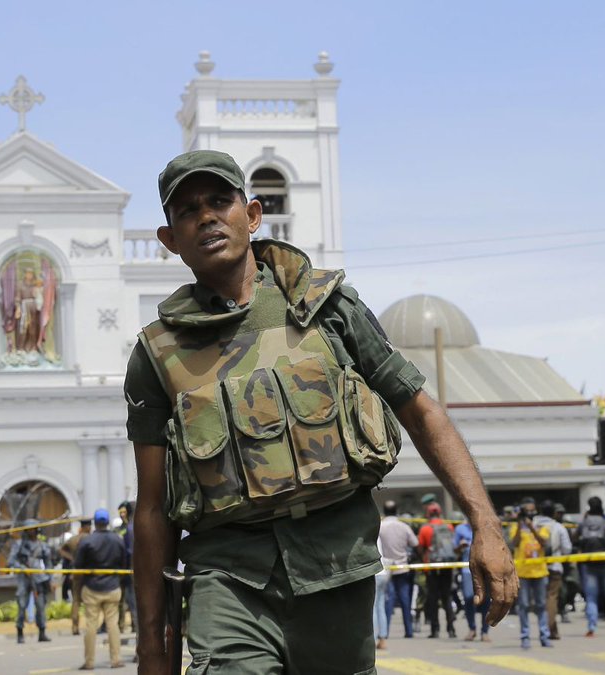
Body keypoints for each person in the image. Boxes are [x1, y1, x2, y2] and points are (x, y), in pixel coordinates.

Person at [126, 150, 518, 674]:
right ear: (170, 239)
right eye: (187, 211)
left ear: (254, 214)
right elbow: (151, 508)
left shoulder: (327, 309)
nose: (206, 217)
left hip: (335, 571)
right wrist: (151, 646)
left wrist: (485, 527)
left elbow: (420, 412)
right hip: (227, 579)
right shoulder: (157, 354)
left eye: (221, 201)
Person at [75, 508, 129, 670]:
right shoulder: (118, 539)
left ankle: (89, 662)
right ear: (107, 522)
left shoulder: (87, 541)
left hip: (92, 587)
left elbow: (78, 565)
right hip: (112, 586)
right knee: (112, 624)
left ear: (95, 523)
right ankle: (116, 659)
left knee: (91, 625)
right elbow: (124, 564)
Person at [573, 497, 605, 637]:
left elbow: (574, 539)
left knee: (591, 597)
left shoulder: (584, 523)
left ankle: (592, 627)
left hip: (589, 564)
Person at [509, 499, 551, 649]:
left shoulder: (541, 525)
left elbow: (544, 542)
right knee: (524, 606)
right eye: (527, 511)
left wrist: (531, 527)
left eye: (532, 510)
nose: (530, 513)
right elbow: (514, 543)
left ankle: (544, 636)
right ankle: (525, 636)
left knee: (541, 605)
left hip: (539, 571)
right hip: (523, 573)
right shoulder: (515, 526)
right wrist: (521, 525)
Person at [379, 500, 420, 639]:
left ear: (384, 512)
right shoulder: (404, 526)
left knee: (388, 600)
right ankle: (408, 631)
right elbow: (415, 543)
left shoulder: (380, 527)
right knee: (405, 599)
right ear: (396, 511)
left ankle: (385, 632)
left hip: (386, 567)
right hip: (402, 567)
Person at [416, 502, 458, 638]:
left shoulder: (425, 528)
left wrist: (424, 560)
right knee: (447, 597)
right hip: (447, 565)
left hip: (431, 566)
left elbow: (420, 547)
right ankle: (451, 628)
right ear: (440, 513)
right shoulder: (449, 526)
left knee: (433, 598)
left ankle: (435, 629)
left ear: (428, 514)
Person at [10, 519, 53, 644]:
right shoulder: (19, 544)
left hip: (39, 579)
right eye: (28, 529)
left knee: (40, 606)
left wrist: (49, 577)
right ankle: (20, 632)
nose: (31, 532)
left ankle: (42, 631)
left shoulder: (42, 545)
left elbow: (48, 563)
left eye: (33, 529)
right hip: (24, 578)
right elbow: (11, 561)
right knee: (22, 605)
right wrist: (23, 568)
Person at [533, 500, 570, 640]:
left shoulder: (533, 525)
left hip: (534, 566)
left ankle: (550, 629)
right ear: (554, 512)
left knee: (539, 599)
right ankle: (549, 628)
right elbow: (567, 549)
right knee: (551, 598)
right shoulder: (558, 527)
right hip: (554, 566)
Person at [453, 513, 490, 642]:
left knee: (485, 600)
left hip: (485, 570)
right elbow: (455, 550)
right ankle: (472, 629)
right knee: (469, 598)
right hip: (467, 569)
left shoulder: (486, 529)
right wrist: (460, 546)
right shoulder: (460, 529)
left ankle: (484, 632)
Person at [60, 518, 93, 635]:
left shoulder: (73, 539)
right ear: (88, 527)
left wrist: (72, 558)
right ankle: (91, 626)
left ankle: (75, 627)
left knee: (76, 601)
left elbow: (62, 550)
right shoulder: (90, 539)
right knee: (90, 600)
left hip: (76, 572)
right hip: (89, 573)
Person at [117, 501, 137, 633]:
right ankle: (124, 624)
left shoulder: (130, 528)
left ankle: (135, 624)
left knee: (132, 598)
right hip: (129, 569)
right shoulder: (121, 529)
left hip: (130, 568)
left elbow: (129, 551)